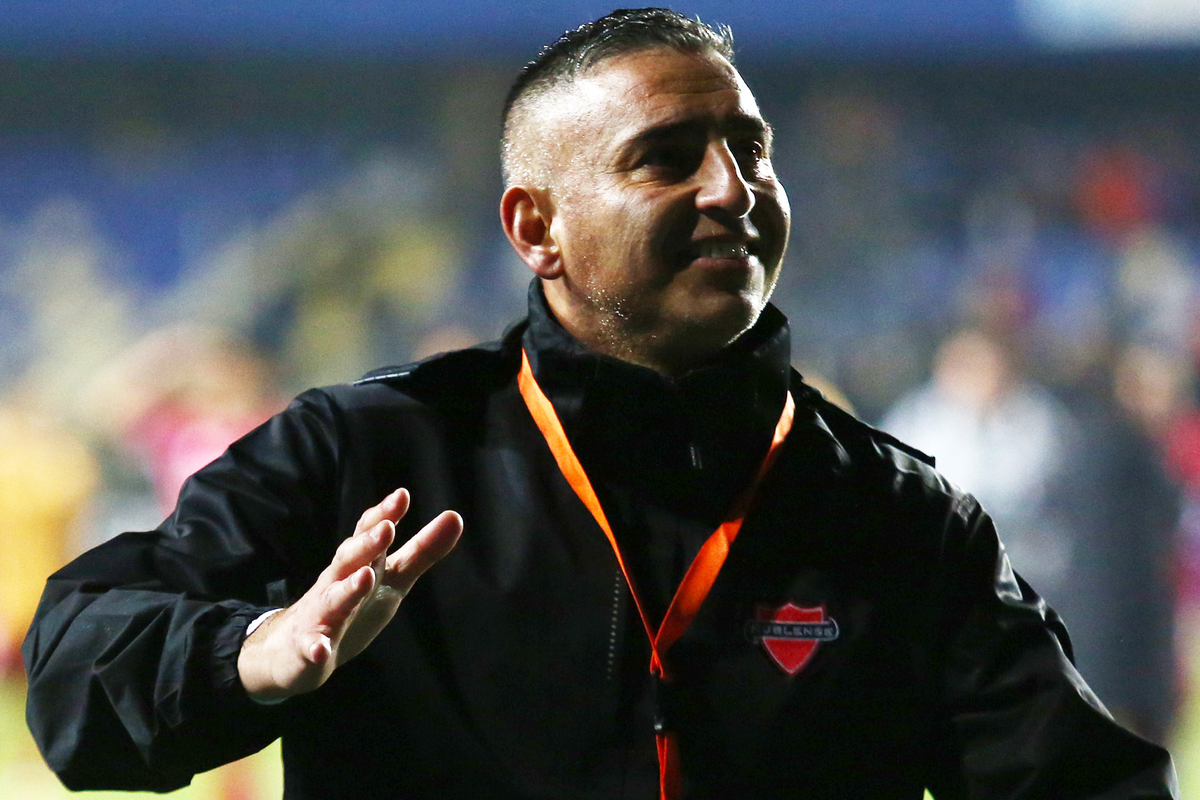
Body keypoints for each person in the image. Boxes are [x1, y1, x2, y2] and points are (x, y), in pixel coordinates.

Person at [23, 8, 1177, 799]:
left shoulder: (892, 510)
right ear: (537, 228)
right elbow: (77, 668)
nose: (734, 189)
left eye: (752, 148)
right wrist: (249, 652)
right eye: (665, 156)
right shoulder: (367, 449)